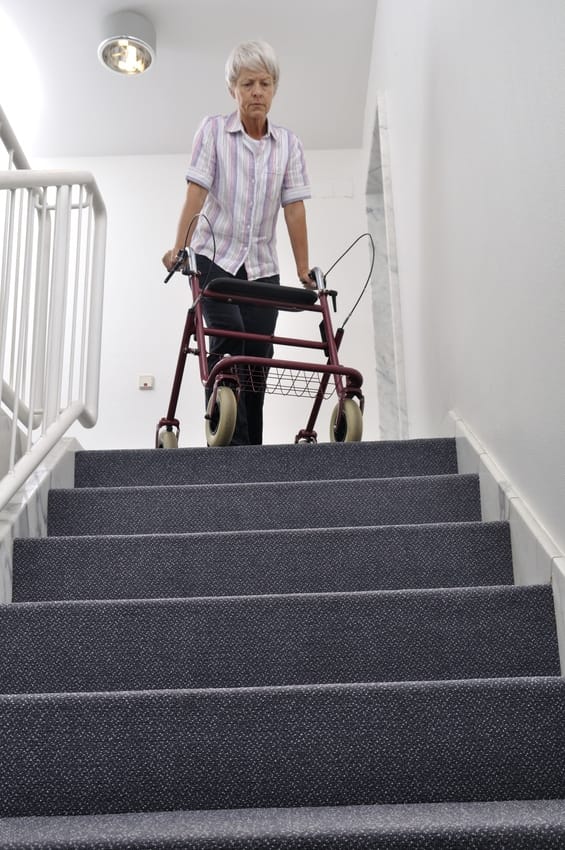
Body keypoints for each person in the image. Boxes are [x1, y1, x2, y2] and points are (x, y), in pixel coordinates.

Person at [162, 40, 313, 446]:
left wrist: (303, 269)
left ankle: (252, 453)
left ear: (274, 87)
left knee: (258, 362)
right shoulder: (213, 131)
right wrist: (179, 247)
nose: (257, 92)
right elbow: (196, 192)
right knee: (229, 339)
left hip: (263, 266)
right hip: (214, 257)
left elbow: (294, 208)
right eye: (248, 84)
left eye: (264, 83)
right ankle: (230, 449)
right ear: (233, 88)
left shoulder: (289, 145)